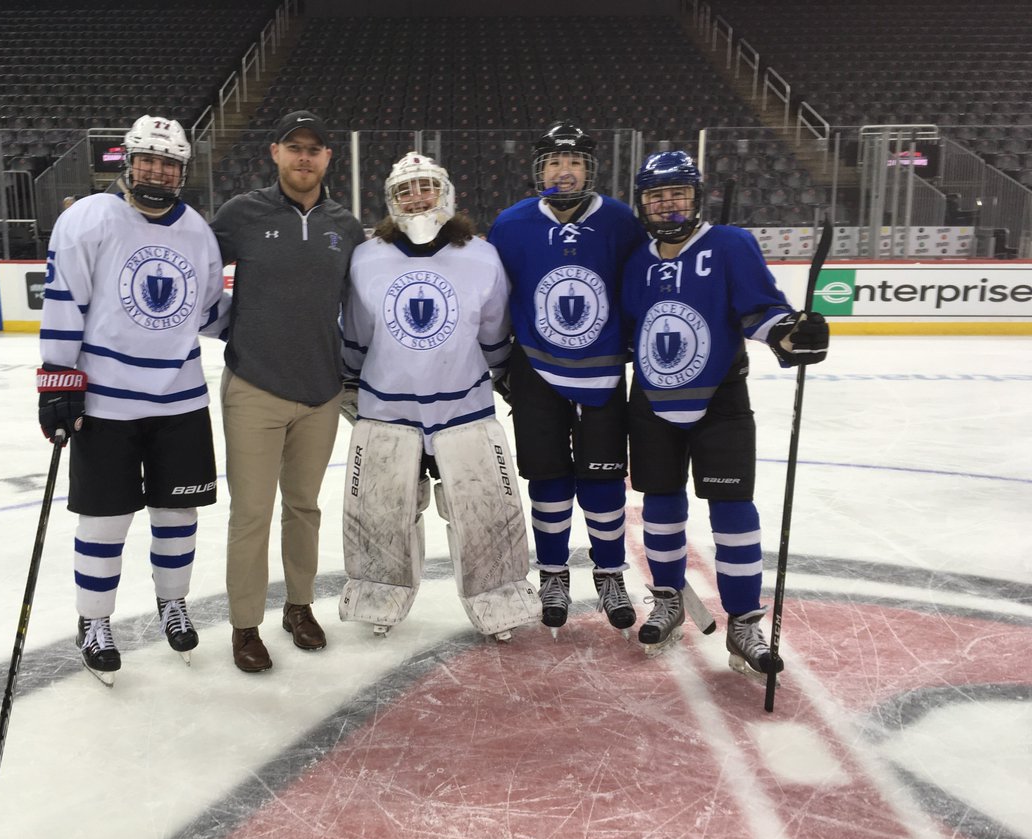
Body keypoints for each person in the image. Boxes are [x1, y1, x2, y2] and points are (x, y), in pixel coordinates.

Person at [620, 150, 829, 678]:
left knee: (734, 513)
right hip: (651, 402)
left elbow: (761, 311)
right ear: (642, 203)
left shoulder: (731, 244)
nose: (668, 204)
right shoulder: (636, 259)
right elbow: (627, 329)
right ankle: (668, 599)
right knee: (661, 507)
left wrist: (790, 333)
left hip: (720, 400)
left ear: (696, 195)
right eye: (657, 195)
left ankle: (742, 622)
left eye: (678, 193)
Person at [36, 115, 229, 686]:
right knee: (104, 519)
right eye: (147, 158)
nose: (157, 170)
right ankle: (94, 620)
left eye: (168, 163)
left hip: (179, 399)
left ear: (182, 172)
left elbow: (212, 311)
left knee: (177, 515)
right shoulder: (88, 219)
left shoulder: (197, 231)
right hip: (107, 405)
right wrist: (56, 380)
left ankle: (173, 604)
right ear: (126, 160)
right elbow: (63, 303)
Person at [340, 152, 538, 639]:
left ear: (446, 194)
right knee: (381, 511)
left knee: (485, 509)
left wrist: (500, 373)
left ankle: (498, 596)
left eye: (426, 186)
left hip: (463, 406)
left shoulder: (481, 254)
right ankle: (377, 592)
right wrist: (349, 382)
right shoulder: (366, 257)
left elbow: (494, 330)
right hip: (388, 407)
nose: (417, 198)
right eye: (405, 191)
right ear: (390, 202)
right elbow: (358, 334)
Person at [209, 110, 366, 673]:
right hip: (254, 387)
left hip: (321, 392)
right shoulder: (240, 214)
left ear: (328, 158)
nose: (305, 157)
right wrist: (225, 326)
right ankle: (245, 624)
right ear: (274, 152)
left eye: (315, 149)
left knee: (303, 507)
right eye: (294, 147)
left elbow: (361, 305)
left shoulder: (345, 227)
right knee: (251, 512)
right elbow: (191, 272)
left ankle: (299, 607)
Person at [486, 121, 648, 638]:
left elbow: (645, 283)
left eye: (574, 162)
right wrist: (499, 365)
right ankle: (553, 575)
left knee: (603, 479)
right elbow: (492, 298)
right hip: (534, 370)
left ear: (588, 170)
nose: (565, 170)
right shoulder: (510, 225)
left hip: (601, 372)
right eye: (555, 161)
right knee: (548, 478)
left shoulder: (621, 221)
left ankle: (609, 575)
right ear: (540, 170)